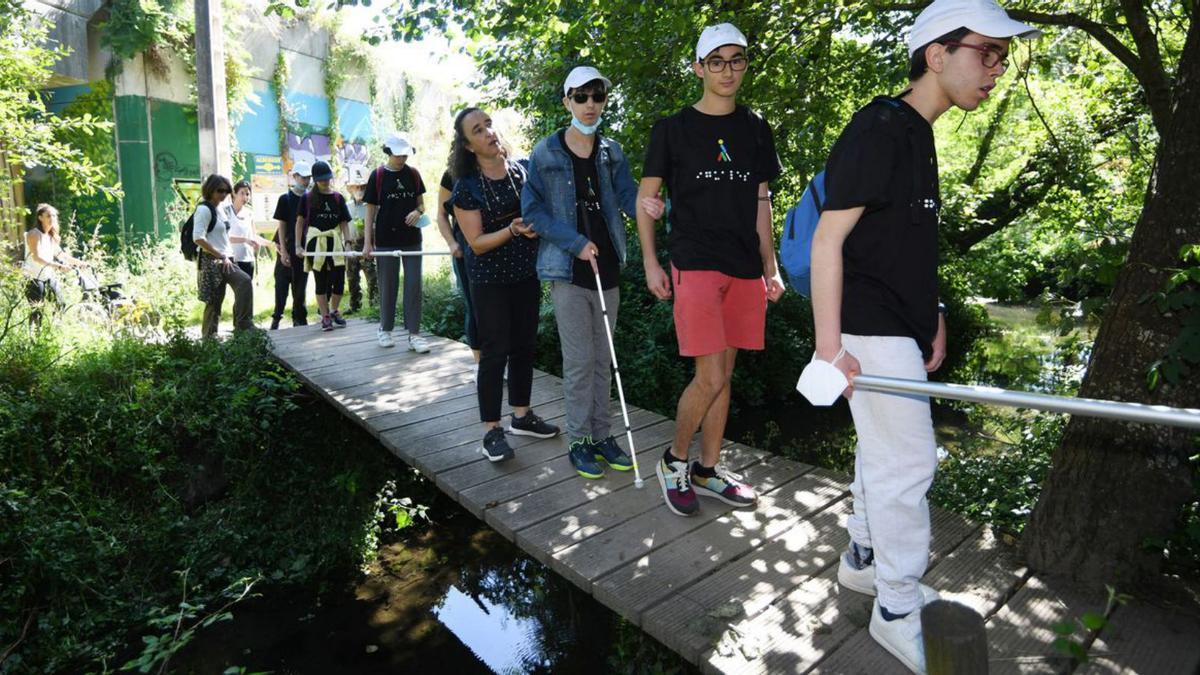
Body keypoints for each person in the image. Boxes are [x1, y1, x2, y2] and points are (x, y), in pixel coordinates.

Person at [808, 1, 1039, 671]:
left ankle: (863, 558)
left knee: (880, 452)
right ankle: (897, 606)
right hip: (866, 327)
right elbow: (829, 240)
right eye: (987, 53)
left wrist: (930, 309)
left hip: (896, 324)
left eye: (1003, 56)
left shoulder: (918, 132)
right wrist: (830, 348)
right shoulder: (880, 127)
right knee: (909, 464)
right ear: (937, 54)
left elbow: (899, 242)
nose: (997, 69)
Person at [637, 23, 784, 516]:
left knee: (726, 375)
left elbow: (762, 200)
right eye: (716, 61)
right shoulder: (672, 129)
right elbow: (646, 198)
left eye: (737, 59)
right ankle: (674, 461)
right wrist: (652, 260)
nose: (728, 70)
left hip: (744, 266)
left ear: (745, 64)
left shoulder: (757, 127)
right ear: (699, 67)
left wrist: (771, 266)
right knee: (710, 375)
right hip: (695, 261)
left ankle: (707, 468)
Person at [523, 66, 664, 479]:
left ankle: (603, 437)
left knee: (604, 358)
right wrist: (575, 242)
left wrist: (650, 204)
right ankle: (579, 441)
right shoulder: (545, 152)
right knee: (581, 361)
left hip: (607, 268)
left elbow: (627, 196)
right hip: (567, 270)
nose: (589, 105)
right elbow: (532, 210)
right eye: (581, 97)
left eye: (597, 97)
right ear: (566, 101)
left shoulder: (611, 151)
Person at [450, 107, 560, 462]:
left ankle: (522, 416)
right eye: (478, 130)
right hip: (488, 279)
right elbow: (476, 244)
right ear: (468, 146)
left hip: (525, 273)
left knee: (525, 345)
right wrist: (512, 229)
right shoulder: (465, 187)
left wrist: (535, 225)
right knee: (494, 351)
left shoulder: (521, 170)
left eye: (489, 125)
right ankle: (491, 431)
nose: (488, 133)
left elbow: (540, 213)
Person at [363, 133, 431, 351]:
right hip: (385, 239)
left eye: (405, 155)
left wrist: (417, 211)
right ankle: (385, 329)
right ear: (389, 152)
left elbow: (422, 204)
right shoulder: (378, 175)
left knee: (413, 286)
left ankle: (414, 335)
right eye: (398, 155)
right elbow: (370, 212)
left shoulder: (413, 174)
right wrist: (367, 243)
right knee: (388, 285)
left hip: (412, 239)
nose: (402, 159)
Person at [294, 160, 352, 332]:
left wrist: (347, 243)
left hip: (334, 242)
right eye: (321, 179)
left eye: (327, 178)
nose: (325, 182)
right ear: (315, 179)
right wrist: (298, 245)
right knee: (320, 281)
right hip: (316, 243)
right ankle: (325, 316)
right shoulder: (307, 198)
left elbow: (344, 223)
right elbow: (299, 222)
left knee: (339, 281)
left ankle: (334, 310)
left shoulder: (338, 197)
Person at [194, 174, 254, 338]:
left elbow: (223, 235)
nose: (223, 194)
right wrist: (220, 255)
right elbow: (198, 237)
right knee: (214, 302)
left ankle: (243, 326)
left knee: (244, 282)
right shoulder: (204, 209)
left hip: (226, 259)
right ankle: (209, 340)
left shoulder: (220, 209)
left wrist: (227, 254)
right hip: (213, 261)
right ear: (210, 190)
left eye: (226, 191)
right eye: (220, 191)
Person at [437, 167, 480, 369]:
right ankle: (480, 363)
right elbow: (441, 214)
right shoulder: (453, 174)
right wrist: (451, 243)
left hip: (501, 248)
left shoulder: (500, 167)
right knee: (475, 306)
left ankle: (502, 359)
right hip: (465, 250)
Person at [22, 203, 84, 326]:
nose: (53, 218)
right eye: (49, 216)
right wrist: (59, 267)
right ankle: (34, 340)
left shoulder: (51, 237)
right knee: (37, 311)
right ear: (40, 218)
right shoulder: (34, 234)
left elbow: (62, 255)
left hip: (48, 276)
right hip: (33, 277)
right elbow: (37, 257)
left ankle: (54, 330)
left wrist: (81, 263)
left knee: (60, 304)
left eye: (54, 216)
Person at [270, 162, 312, 329]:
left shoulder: (311, 199)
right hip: (286, 247)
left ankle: (299, 319)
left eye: (308, 177)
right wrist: (284, 252)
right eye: (303, 177)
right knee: (281, 285)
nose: (306, 181)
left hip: (303, 250)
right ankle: (276, 318)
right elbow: (282, 225)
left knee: (300, 287)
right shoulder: (285, 199)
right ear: (294, 177)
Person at [343, 168, 377, 313]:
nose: (360, 190)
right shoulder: (347, 207)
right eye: (357, 187)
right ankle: (354, 305)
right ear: (351, 189)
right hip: (352, 245)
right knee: (351, 277)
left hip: (367, 244)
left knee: (372, 276)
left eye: (363, 187)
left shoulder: (372, 206)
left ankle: (374, 303)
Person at [225, 180, 271, 279]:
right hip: (231, 259)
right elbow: (225, 237)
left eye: (247, 194)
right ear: (234, 193)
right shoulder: (226, 212)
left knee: (246, 291)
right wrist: (245, 240)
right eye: (242, 193)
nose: (245, 197)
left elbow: (253, 236)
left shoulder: (250, 213)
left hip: (248, 260)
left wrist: (271, 244)